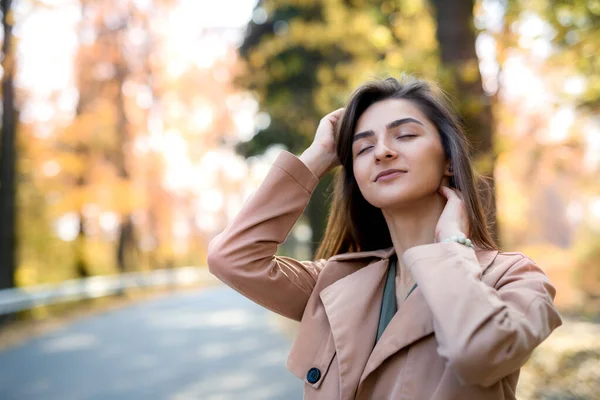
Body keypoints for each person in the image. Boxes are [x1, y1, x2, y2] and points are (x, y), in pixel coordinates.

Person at [207, 76, 562, 399]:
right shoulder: (337, 283)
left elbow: (479, 354)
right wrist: (318, 157)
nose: (382, 152)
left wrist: (452, 245)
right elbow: (232, 258)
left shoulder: (514, 278)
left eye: (405, 135)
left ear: (449, 161)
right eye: (363, 149)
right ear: (357, 179)